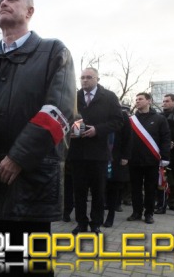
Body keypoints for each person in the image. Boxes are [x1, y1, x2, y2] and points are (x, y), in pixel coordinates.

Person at [0, 0, 76, 276]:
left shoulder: (53, 52)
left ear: (29, 12)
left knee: (34, 269)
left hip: (32, 182)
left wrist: (19, 157)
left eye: (11, 0)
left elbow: (59, 111)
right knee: (2, 267)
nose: (3, 4)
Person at [67, 68, 123, 234]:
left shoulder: (109, 97)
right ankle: (81, 223)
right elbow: (64, 118)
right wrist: (69, 131)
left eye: (89, 77)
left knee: (98, 191)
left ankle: (96, 223)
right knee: (79, 191)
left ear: (97, 78)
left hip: (98, 153)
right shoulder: (74, 97)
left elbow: (118, 121)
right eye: (82, 77)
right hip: (77, 153)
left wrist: (97, 130)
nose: (85, 80)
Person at [127, 93, 171, 224]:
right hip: (134, 160)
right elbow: (126, 139)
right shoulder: (131, 120)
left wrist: (165, 156)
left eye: (140, 99)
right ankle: (136, 212)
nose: (137, 101)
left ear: (149, 101)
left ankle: (149, 213)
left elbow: (165, 139)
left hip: (152, 160)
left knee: (150, 188)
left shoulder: (159, 119)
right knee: (135, 188)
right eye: (136, 99)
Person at [103, 105, 133, 227]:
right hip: (100, 156)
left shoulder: (123, 116)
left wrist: (125, 156)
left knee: (114, 186)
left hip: (116, 157)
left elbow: (128, 137)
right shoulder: (100, 113)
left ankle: (111, 215)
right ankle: (98, 215)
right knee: (100, 186)